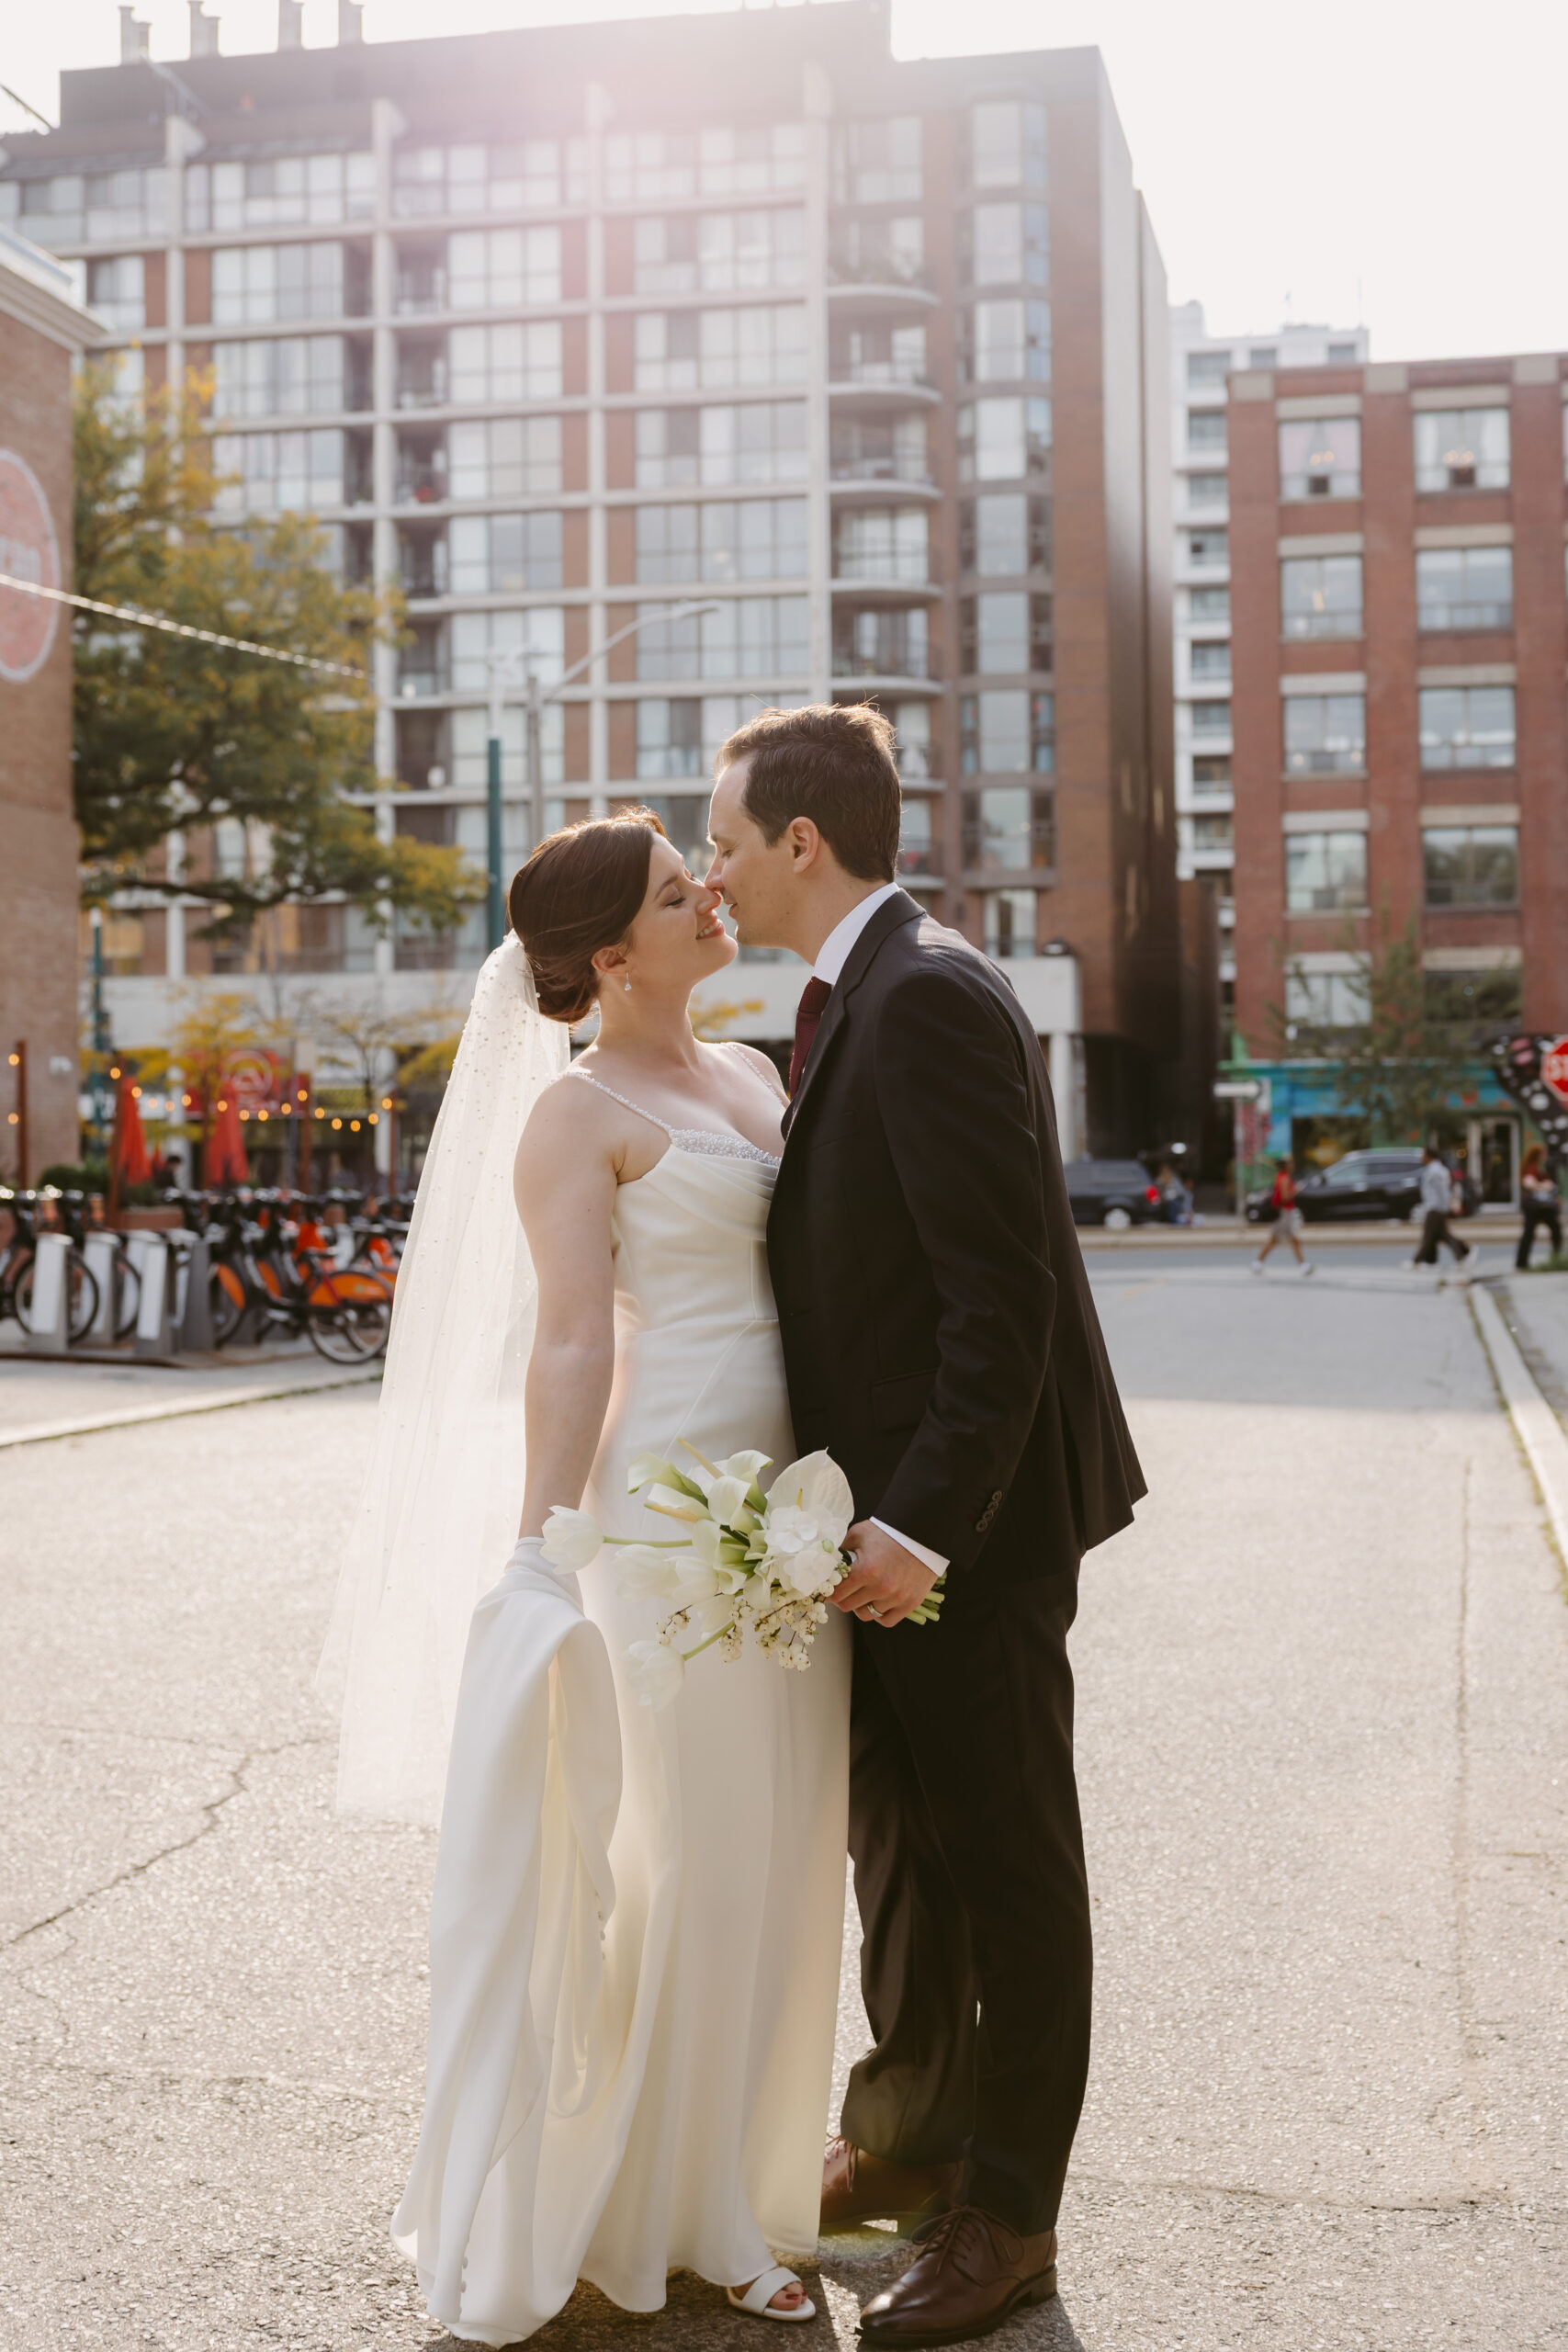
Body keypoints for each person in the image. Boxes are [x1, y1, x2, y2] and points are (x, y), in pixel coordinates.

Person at [321, 804, 848, 2340]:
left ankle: (743, 2187)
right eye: (678, 893)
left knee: (779, 1853)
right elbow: (570, 1336)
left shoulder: (752, 1074)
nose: (710, 898)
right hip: (672, 1510)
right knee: (677, 1855)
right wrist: (541, 1539)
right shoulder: (573, 1113)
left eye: (700, 878)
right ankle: (663, 2207)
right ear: (608, 953)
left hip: (791, 1504)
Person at [706, 704, 1145, 2346]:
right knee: (900, 1860)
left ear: (801, 845)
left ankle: (1009, 2214)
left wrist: (926, 1532)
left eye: (728, 842)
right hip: (864, 1539)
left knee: (1009, 1870)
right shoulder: (847, 999)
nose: (717, 872)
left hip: (959, 1542)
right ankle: (899, 2146)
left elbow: (999, 1300)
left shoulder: (935, 996)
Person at [1410, 1144, 1473, 1275]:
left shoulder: (1435, 1171)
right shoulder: (1434, 1169)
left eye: (1423, 1155)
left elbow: (1442, 1191)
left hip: (1436, 1207)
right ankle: (1435, 1261)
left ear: (1429, 1156)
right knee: (1440, 1235)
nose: (1421, 1158)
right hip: (1435, 1206)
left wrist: (1449, 1204)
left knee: (1430, 1236)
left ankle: (1417, 1261)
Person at [1251, 1158, 1314, 1274]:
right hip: (1284, 1213)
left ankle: (1303, 1265)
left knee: (1289, 1239)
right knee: (1276, 1239)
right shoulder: (1284, 1178)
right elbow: (1285, 1197)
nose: (1292, 1166)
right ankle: (1257, 1263)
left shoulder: (1280, 1176)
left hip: (1284, 1212)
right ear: (1286, 1166)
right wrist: (1295, 1191)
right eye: (1290, 1164)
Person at [1517, 1143, 1562, 1270]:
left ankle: (1522, 1262)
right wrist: (1545, 1186)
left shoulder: (1538, 1166)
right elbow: (1528, 1182)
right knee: (1551, 1231)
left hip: (1539, 1206)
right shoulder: (1531, 1167)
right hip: (1536, 1207)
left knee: (1532, 1233)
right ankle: (1555, 1257)